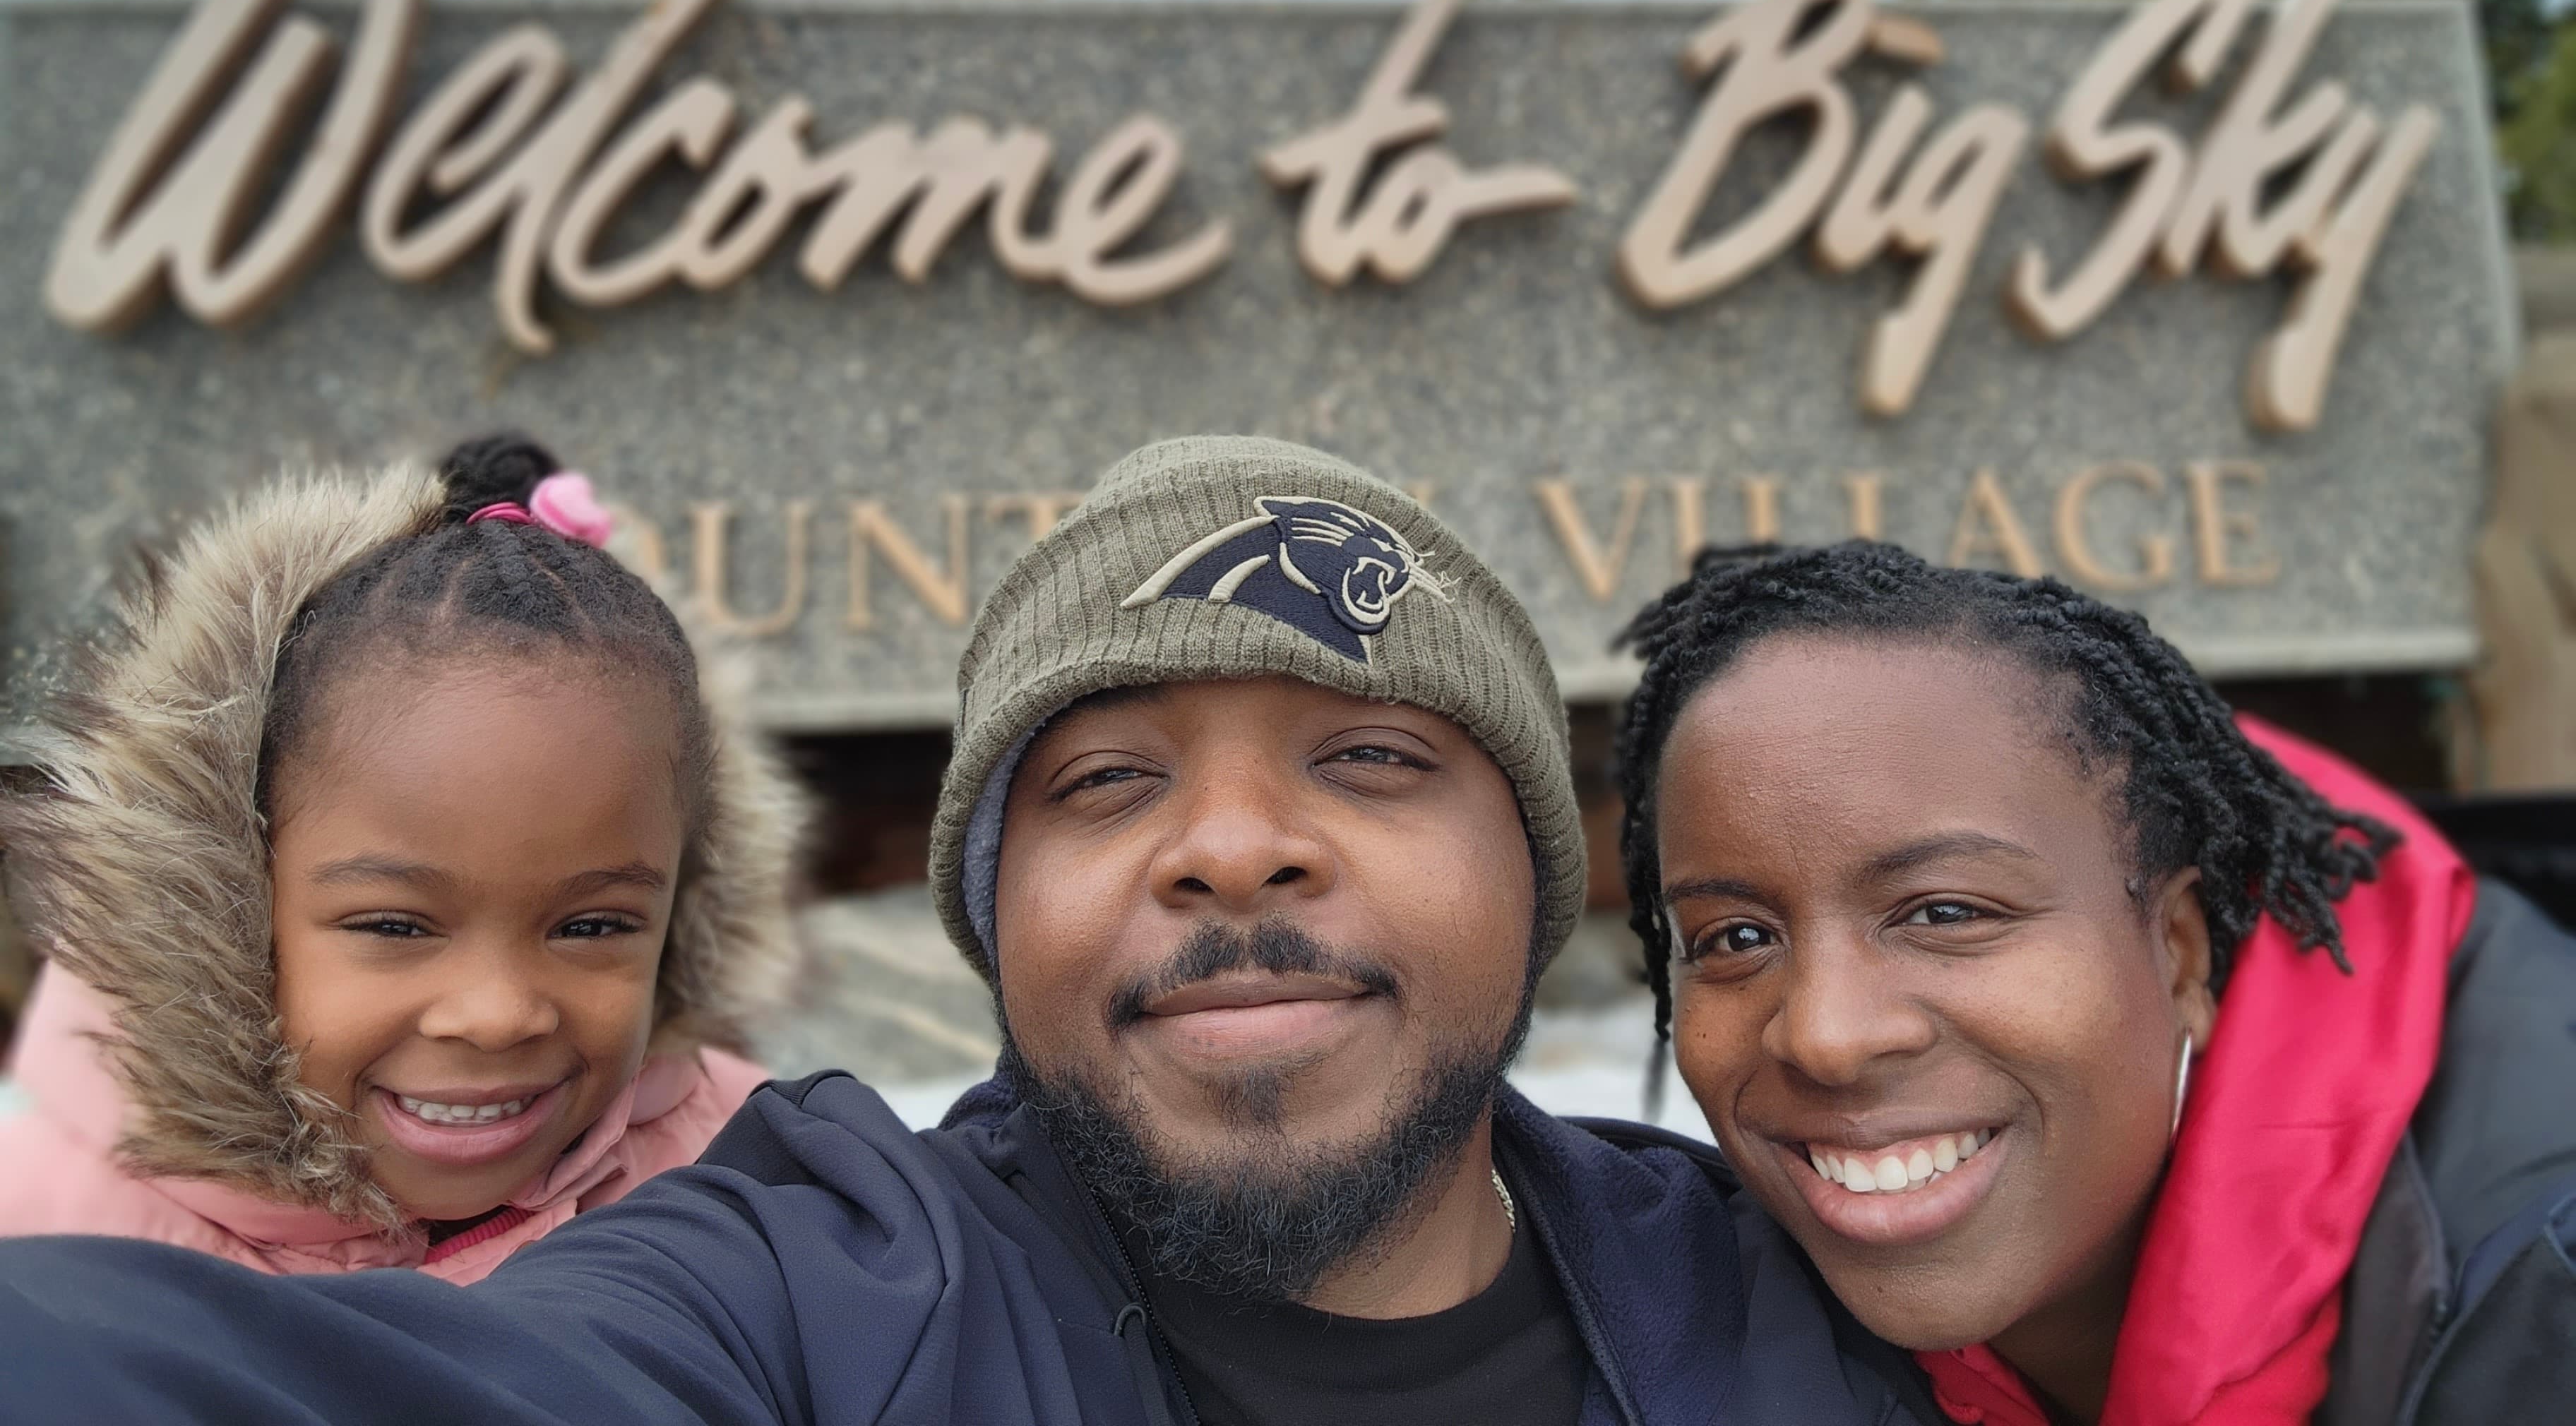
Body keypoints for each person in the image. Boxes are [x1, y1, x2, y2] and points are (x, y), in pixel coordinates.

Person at [0, 436, 1931, 1424]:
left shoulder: (1812, 1301)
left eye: (1365, 758)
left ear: (1537, 877)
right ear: (990, 918)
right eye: (1104, 785)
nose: (1237, 851)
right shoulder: (815, 1287)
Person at [1611, 540, 2576, 1426]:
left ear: (2182, 951)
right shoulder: (1667, 1299)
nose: (1823, 1035)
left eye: (1945, 913)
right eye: (1735, 936)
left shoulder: (2539, 1289)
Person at [0, 433, 802, 1281]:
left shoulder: (756, 1184)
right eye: (396, 925)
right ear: (227, 907)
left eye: (593, 924)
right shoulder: (48, 1248)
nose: (497, 1015)